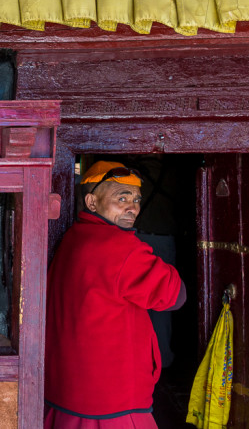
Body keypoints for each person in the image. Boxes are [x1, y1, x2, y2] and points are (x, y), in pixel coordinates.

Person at [45, 161, 186, 428]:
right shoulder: (122, 248)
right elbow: (175, 296)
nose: (132, 206)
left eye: (136, 199)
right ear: (92, 202)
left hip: (68, 393)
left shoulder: (74, 237)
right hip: (112, 404)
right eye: (121, 198)